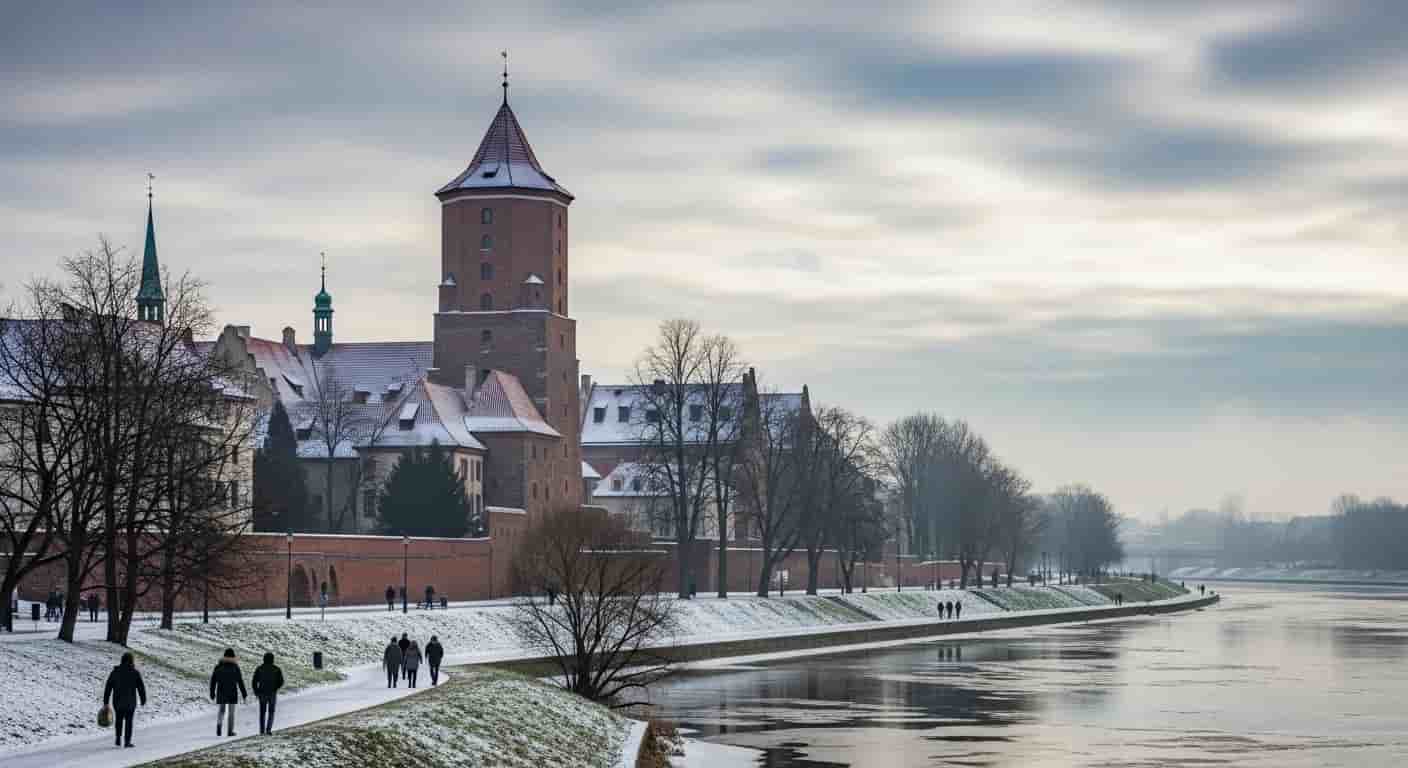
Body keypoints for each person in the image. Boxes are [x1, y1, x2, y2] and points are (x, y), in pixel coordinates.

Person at [103, 651, 147, 748]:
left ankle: (118, 738)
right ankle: (127, 741)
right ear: (132, 661)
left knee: (119, 719)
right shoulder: (135, 673)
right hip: (130, 702)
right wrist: (143, 699)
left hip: (117, 701)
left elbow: (108, 687)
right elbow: (141, 687)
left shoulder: (115, 672)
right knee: (129, 721)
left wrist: (106, 701)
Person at [209, 648, 248, 737]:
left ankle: (219, 726)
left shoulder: (218, 666)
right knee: (231, 713)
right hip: (232, 692)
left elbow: (213, 680)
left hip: (221, 691)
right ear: (233, 657)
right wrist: (244, 694)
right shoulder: (235, 667)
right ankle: (230, 731)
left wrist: (212, 692)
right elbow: (240, 681)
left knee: (221, 710)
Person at [252, 652, 284, 735]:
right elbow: (281, 681)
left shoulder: (259, 668)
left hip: (262, 693)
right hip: (272, 693)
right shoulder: (276, 669)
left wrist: (256, 691)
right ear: (273, 659)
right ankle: (268, 730)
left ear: (264, 659)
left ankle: (262, 731)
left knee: (262, 712)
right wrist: (275, 688)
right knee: (271, 712)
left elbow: (254, 681)